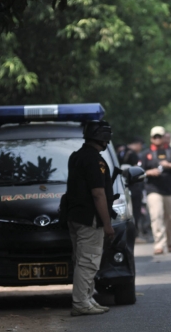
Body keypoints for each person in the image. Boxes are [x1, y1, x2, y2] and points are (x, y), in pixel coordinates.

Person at [66, 120, 115, 316]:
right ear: (103, 137)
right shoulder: (95, 160)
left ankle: (87, 298)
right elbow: (98, 194)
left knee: (82, 259)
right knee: (88, 261)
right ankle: (81, 302)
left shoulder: (76, 156)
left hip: (75, 216)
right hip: (89, 219)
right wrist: (107, 224)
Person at [142, 126, 171, 255]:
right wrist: (149, 172)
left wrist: (169, 165)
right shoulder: (146, 154)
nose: (157, 139)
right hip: (154, 190)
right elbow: (140, 171)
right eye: (155, 137)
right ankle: (159, 244)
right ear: (151, 138)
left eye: (159, 136)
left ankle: (170, 242)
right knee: (156, 216)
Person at [120, 136, 145, 240]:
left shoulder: (120, 152)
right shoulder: (133, 154)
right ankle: (134, 235)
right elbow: (137, 172)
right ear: (137, 144)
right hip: (133, 187)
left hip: (121, 187)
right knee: (135, 212)